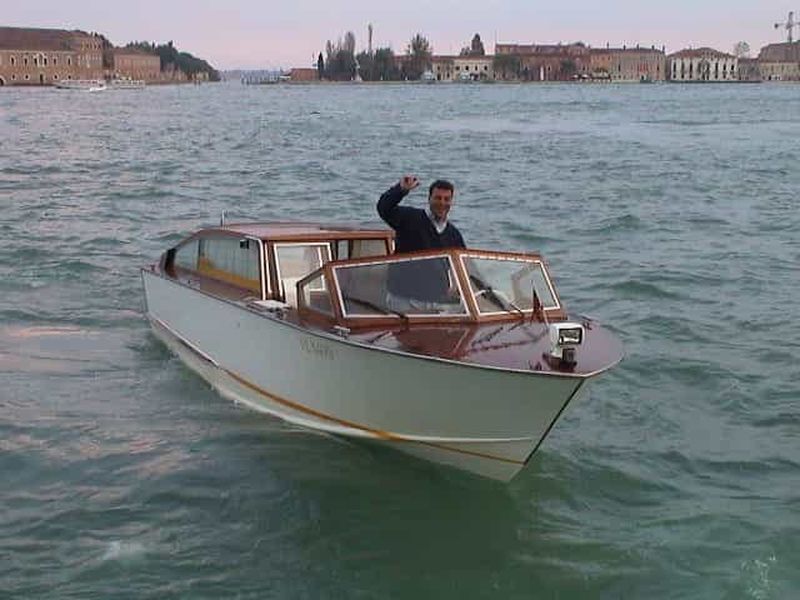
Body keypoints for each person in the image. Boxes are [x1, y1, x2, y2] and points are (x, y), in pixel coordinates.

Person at [376, 175, 466, 312]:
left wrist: (458, 288)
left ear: (451, 202)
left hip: (437, 302)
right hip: (404, 300)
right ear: (429, 199)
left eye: (446, 199)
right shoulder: (409, 218)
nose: (442, 203)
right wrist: (400, 190)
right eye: (438, 198)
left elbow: (464, 267)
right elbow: (383, 208)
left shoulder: (453, 234)